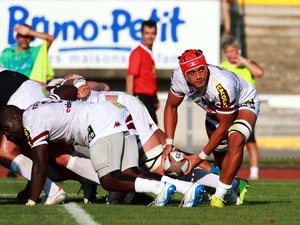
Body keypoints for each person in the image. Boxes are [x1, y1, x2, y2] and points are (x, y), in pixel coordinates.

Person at [0, 94, 205, 207]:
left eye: (7, 129)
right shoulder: (39, 106)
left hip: (99, 121)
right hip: (117, 112)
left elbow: (40, 166)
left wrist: (31, 201)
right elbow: (65, 95)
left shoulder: (30, 120)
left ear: (16, 117)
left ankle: (159, 188)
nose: (8, 136)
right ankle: (186, 188)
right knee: (130, 173)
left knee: (108, 179)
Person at [163, 49, 260, 208]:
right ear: (184, 74)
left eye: (201, 69)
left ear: (206, 66)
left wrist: (199, 157)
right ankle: (235, 185)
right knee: (220, 154)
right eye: (192, 73)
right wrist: (169, 143)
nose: (199, 75)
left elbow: (224, 126)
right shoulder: (178, 77)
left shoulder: (222, 84)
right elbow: (171, 107)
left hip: (244, 102)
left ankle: (220, 195)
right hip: (215, 108)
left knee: (236, 139)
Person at [220, 36, 264, 180]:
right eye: (228, 52)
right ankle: (227, 171)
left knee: (250, 141)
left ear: (238, 50)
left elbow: (259, 73)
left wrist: (244, 61)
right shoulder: (223, 66)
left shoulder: (247, 65)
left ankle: (254, 173)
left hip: (247, 108)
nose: (231, 54)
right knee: (228, 142)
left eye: (233, 51)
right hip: (230, 109)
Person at [126, 20, 159, 124]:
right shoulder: (137, 52)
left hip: (150, 98)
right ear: (142, 34)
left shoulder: (148, 52)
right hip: (141, 98)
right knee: (151, 132)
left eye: (153, 33)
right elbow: (130, 77)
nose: (150, 36)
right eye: (147, 33)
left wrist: (155, 98)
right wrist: (131, 102)